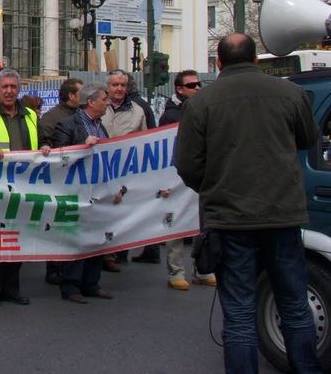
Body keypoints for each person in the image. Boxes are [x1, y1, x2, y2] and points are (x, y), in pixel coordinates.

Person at [176, 34, 321, 373]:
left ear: (218, 63)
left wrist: (214, 188)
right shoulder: (291, 93)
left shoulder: (201, 103)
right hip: (282, 215)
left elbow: (187, 164)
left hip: (229, 219)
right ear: (256, 60)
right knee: (294, 305)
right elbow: (308, 138)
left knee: (239, 312)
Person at [0, 68, 49, 307]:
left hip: (23, 188)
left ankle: (12, 290)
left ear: (19, 89)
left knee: (16, 240)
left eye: (13, 87)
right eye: (5, 87)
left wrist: (46, 146)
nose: (9, 91)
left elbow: (43, 140)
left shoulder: (31, 116)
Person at [51, 83, 114, 304]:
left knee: (95, 238)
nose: (108, 103)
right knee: (76, 239)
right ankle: (70, 285)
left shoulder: (100, 127)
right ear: (91, 102)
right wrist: (82, 146)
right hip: (75, 191)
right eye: (104, 99)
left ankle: (91, 283)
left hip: (97, 191)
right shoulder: (68, 125)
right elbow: (60, 157)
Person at [155, 69, 215, 291]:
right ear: (179, 89)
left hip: (199, 175)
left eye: (198, 84)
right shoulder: (170, 115)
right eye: (191, 85)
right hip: (176, 176)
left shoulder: (203, 108)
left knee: (202, 225)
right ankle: (176, 271)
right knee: (177, 225)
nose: (197, 88)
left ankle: (203, 269)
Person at [100, 69, 147, 272]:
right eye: (115, 85)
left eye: (122, 85)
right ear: (107, 87)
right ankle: (101, 253)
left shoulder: (138, 111)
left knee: (120, 210)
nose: (119, 89)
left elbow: (145, 141)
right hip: (101, 168)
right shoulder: (98, 106)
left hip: (125, 169)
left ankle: (115, 252)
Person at [39, 77, 83, 285]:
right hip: (59, 179)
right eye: (82, 93)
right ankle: (54, 268)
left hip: (78, 179)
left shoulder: (82, 116)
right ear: (72, 96)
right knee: (57, 224)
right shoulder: (52, 117)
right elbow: (46, 144)